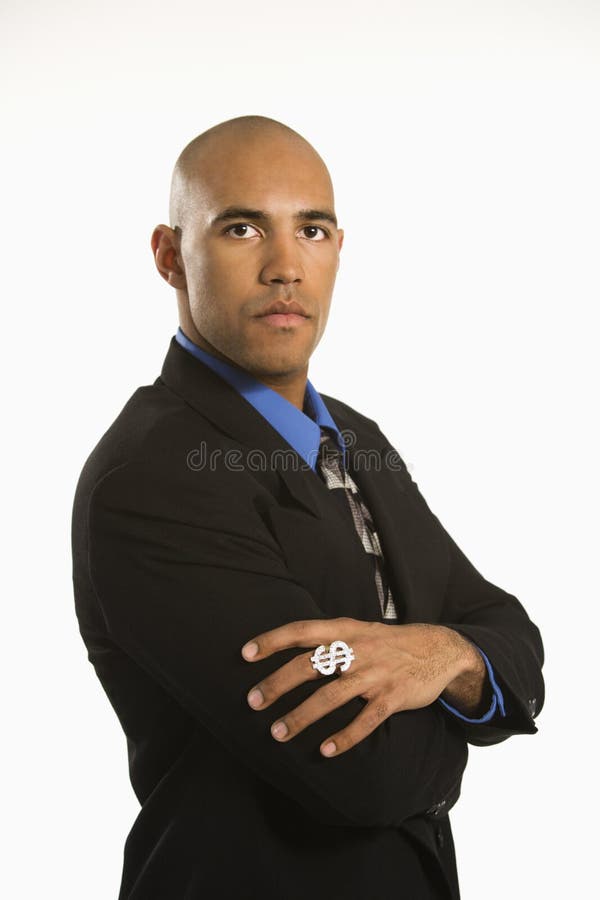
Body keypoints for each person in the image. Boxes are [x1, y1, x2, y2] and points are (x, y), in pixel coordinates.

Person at [71, 115, 544, 900]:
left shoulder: (356, 436)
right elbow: (367, 773)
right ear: (170, 256)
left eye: (312, 229)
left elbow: (506, 626)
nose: (285, 267)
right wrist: (462, 678)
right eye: (243, 227)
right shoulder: (152, 477)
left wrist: (448, 656)